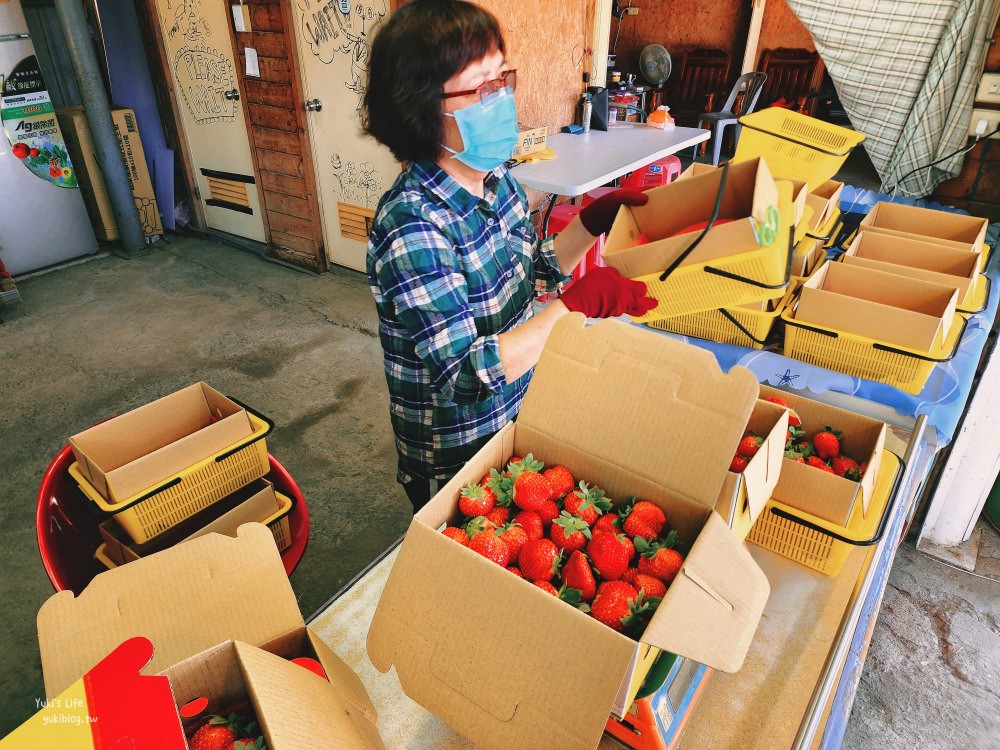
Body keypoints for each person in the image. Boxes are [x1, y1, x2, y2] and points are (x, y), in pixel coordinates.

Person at [362, 0, 656, 512]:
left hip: (517, 413)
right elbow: (466, 375)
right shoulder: (412, 225)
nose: (502, 101)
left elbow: (531, 276)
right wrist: (575, 308)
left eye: (503, 80)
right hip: (456, 454)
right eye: (481, 88)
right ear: (422, 108)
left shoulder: (499, 186)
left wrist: (591, 224)